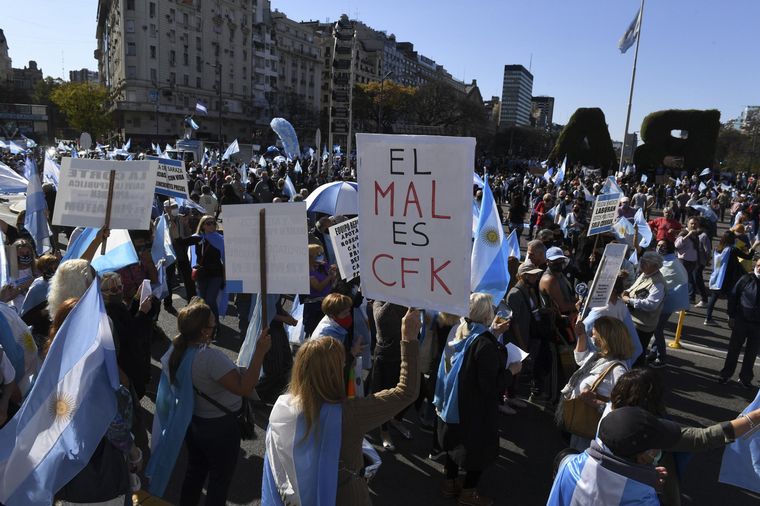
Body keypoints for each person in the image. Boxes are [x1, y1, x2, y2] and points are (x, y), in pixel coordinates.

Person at [261, 307, 421, 506]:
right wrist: (409, 339)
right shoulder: (350, 413)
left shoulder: (282, 407)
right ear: (334, 372)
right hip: (347, 496)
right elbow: (407, 391)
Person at [166, 299, 271, 505]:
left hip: (195, 421)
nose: (216, 326)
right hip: (220, 427)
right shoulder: (210, 358)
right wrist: (260, 352)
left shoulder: (177, 351)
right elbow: (244, 387)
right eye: (213, 323)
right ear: (204, 331)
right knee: (219, 481)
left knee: (195, 472)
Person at [434, 293, 516, 506]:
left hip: (453, 403)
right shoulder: (485, 344)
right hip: (475, 409)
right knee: (478, 451)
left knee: (453, 443)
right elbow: (490, 385)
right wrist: (512, 372)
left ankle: (450, 483)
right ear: (488, 314)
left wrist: (493, 333)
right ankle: (468, 493)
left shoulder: (458, 330)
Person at [548, 407, 681, 506]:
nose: (658, 452)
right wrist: (650, 488)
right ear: (643, 456)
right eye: (657, 447)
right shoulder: (644, 499)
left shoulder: (569, 465)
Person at [559, 316, 632, 450]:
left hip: (591, 429)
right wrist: (581, 336)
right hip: (580, 422)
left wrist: (596, 403)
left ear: (606, 338)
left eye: (594, 334)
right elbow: (581, 359)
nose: (591, 337)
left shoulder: (618, 371)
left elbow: (622, 409)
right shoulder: (599, 356)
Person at [371, 301, 413, 450]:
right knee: (386, 395)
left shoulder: (407, 302)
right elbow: (381, 319)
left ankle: (396, 419)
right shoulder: (379, 303)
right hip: (386, 357)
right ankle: (384, 430)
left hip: (405, 352)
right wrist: (395, 296)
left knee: (412, 393)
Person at [718, 258, 760, 387]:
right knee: (733, 350)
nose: (759, 268)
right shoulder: (746, 279)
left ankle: (745, 378)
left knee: (751, 353)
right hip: (741, 321)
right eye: (758, 265)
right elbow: (733, 296)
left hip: (758, 325)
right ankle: (726, 375)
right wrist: (731, 316)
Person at [649, 240, 689, 368]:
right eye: (658, 245)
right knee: (657, 328)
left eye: (663, 246)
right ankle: (654, 353)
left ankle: (662, 358)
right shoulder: (667, 260)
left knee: (657, 329)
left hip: (667, 302)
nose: (660, 248)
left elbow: (660, 282)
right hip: (667, 300)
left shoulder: (669, 263)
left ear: (669, 248)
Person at [704, 231, 754, 325]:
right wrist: (753, 248)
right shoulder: (732, 249)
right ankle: (730, 317)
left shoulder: (717, 248)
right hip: (729, 278)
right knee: (731, 299)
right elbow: (748, 256)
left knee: (713, 298)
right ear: (732, 239)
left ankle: (708, 318)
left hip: (717, 276)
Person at [623, 251, 667, 356]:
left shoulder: (658, 283)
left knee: (637, 354)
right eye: (642, 261)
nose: (641, 263)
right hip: (632, 320)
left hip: (642, 326)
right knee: (628, 350)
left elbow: (651, 304)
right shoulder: (645, 273)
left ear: (655, 266)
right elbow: (635, 287)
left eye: (645, 262)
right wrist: (628, 291)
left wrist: (629, 301)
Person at [188, 215, 225, 323]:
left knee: (210, 300)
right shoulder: (197, 238)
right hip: (202, 274)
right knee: (203, 301)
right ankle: (206, 324)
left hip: (216, 274)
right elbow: (181, 242)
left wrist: (225, 278)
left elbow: (225, 259)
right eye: (208, 223)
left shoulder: (220, 239)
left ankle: (215, 325)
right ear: (203, 225)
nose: (212, 225)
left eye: (213, 223)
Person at [304, 244, 337, 337]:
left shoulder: (323, 266)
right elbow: (318, 287)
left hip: (327, 303)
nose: (321, 255)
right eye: (318, 254)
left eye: (322, 253)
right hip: (314, 307)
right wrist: (329, 276)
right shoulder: (307, 271)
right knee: (314, 330)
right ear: (310, 256)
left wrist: (333, 274)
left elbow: (333, 282)